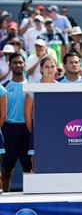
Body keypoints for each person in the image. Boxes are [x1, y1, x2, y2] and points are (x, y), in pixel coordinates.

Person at [1, 52, 31, 192]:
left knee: (29, 168)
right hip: (8, 130)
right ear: (10, 65)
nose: (18, 65)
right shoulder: (4, 87)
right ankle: (4, 198)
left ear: (24, 64)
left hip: (27, 130)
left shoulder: (32, 87)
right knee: (7, 169)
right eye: (15, 62)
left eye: (20, 62)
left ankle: (31, 199)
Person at [24, 56, 58, 158]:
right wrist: (37, 132)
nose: (50, 69)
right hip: (38, 135)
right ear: (41, 69)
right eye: (47, 67)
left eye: (52, 67)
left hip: (57, 134)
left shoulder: (61, 87)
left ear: (56, 69)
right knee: (36, 167)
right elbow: (27, 115)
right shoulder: (33, 88)